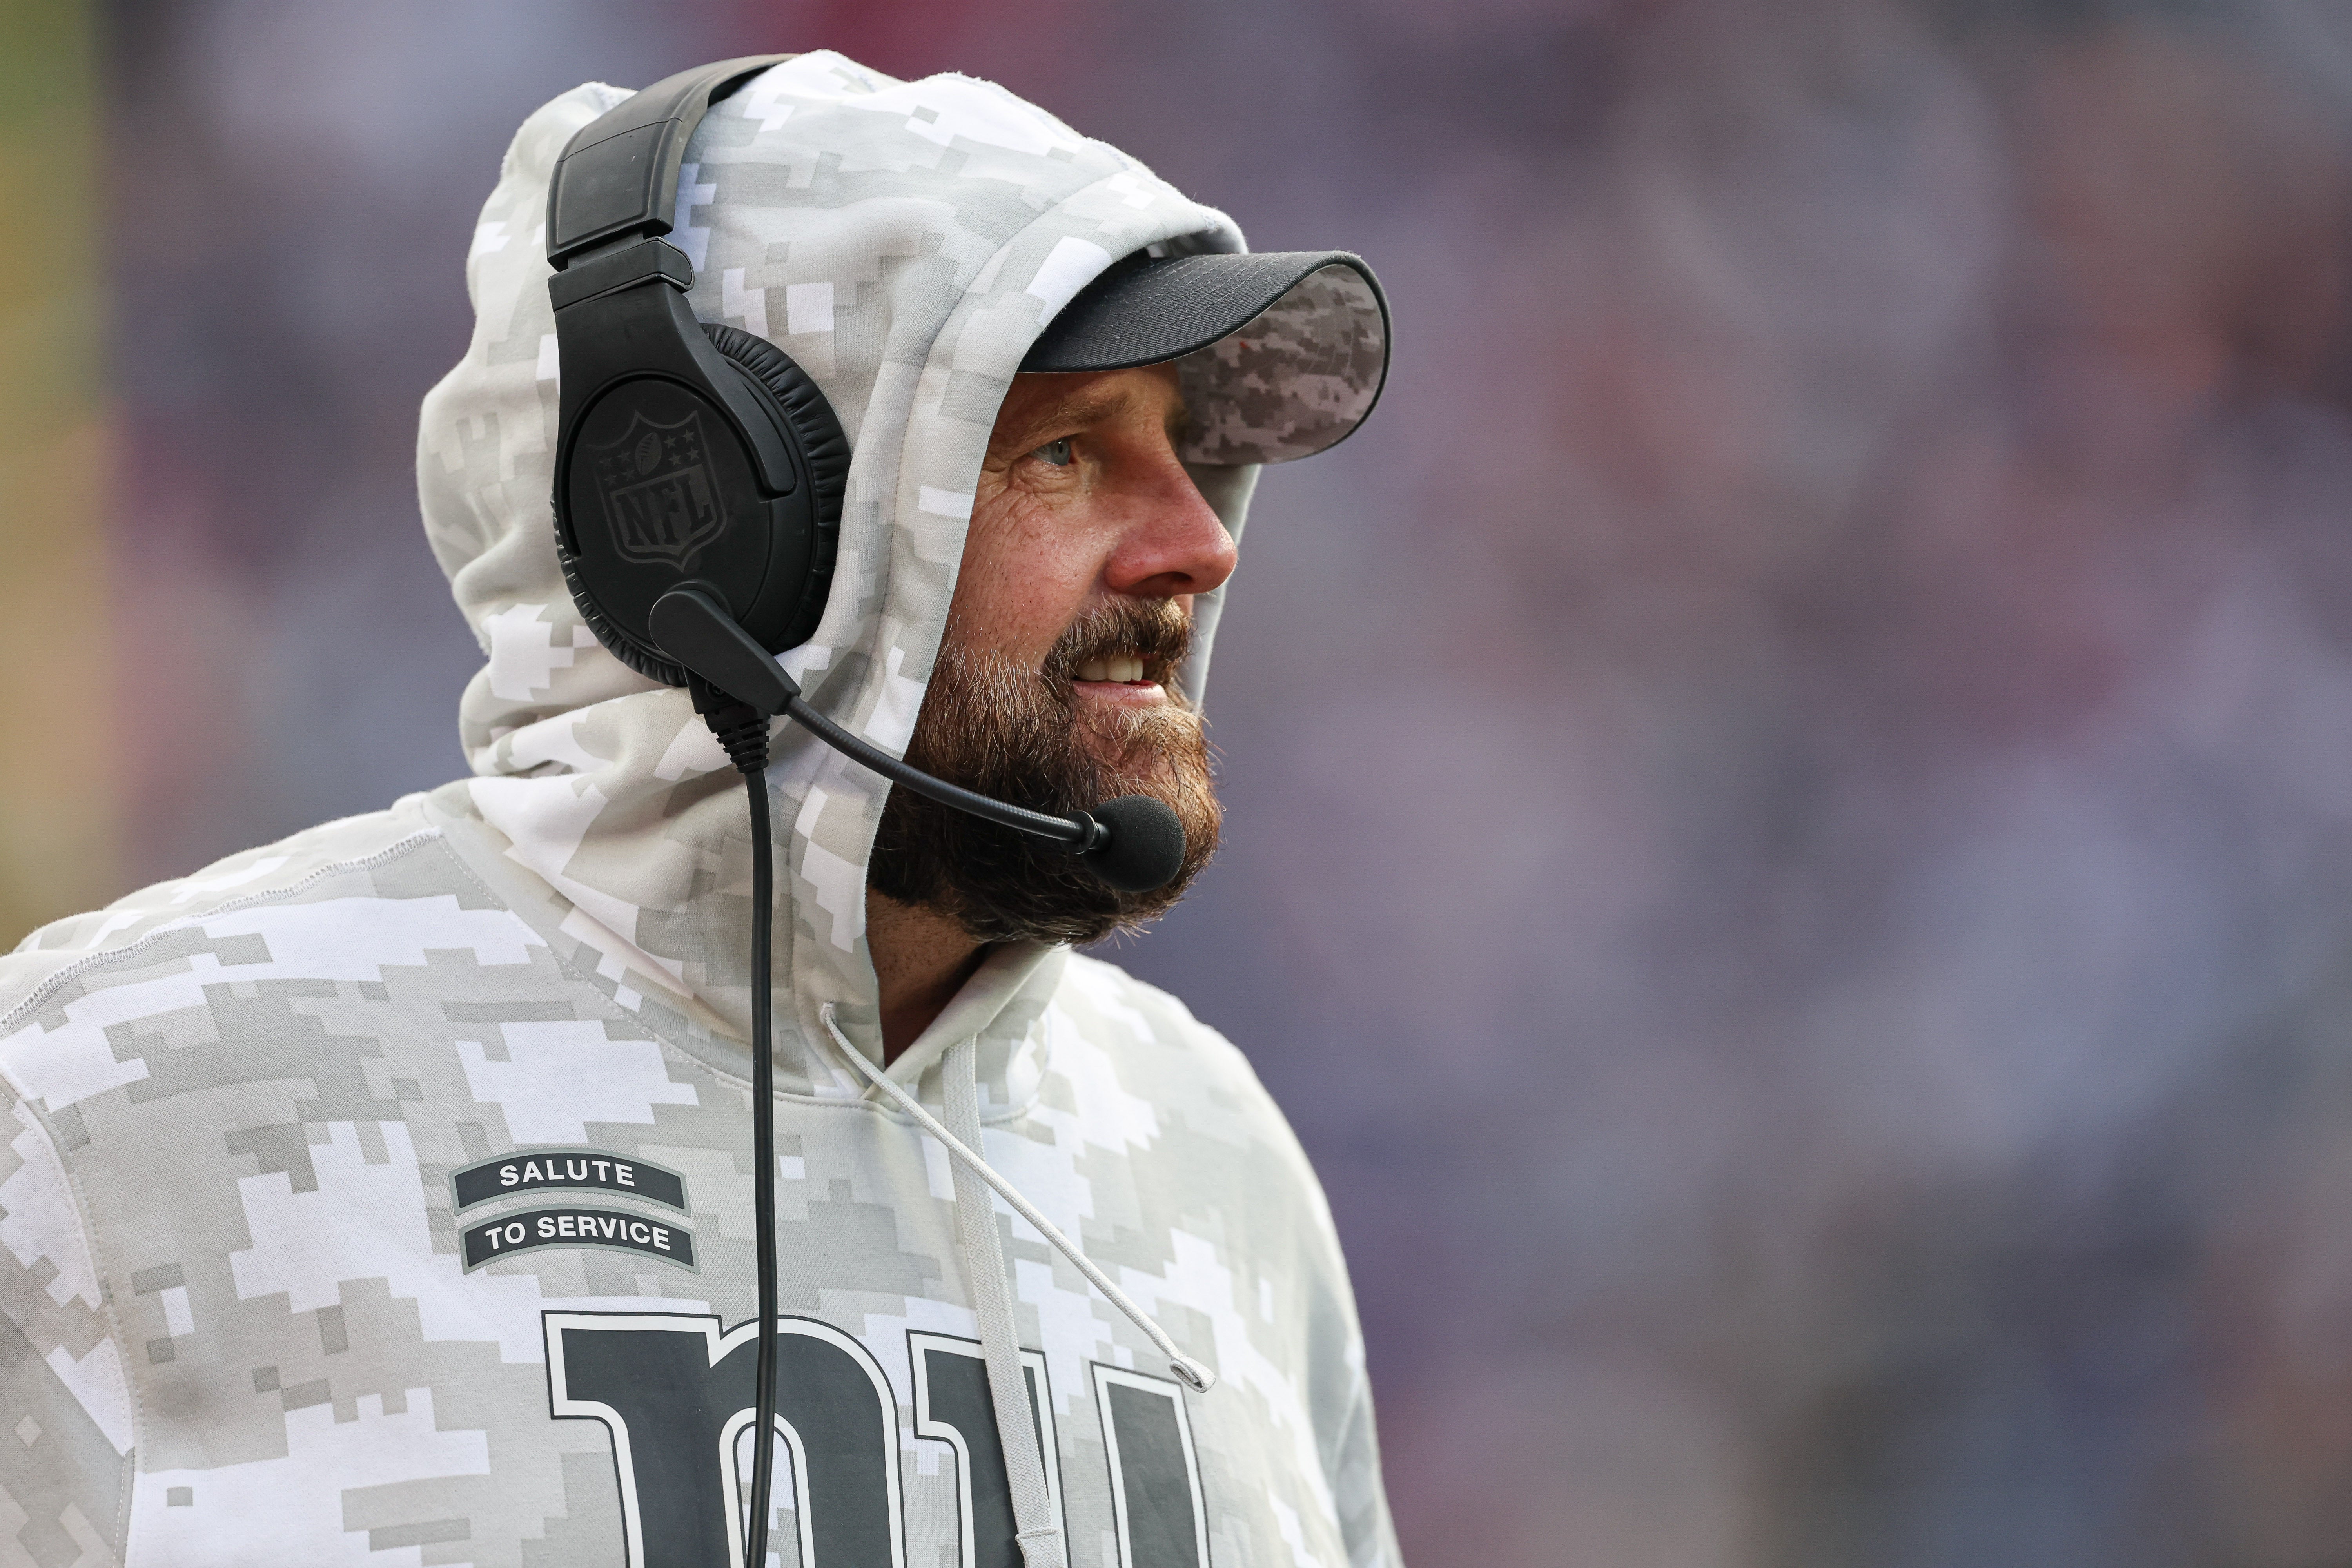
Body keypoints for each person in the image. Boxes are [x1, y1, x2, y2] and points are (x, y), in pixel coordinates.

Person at [0, 51, 1395, 1568]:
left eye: (1185, 451)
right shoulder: (100, 1103)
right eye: (1066, 450)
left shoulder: (1211, 1153)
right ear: (722, 518)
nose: (1202, 543)